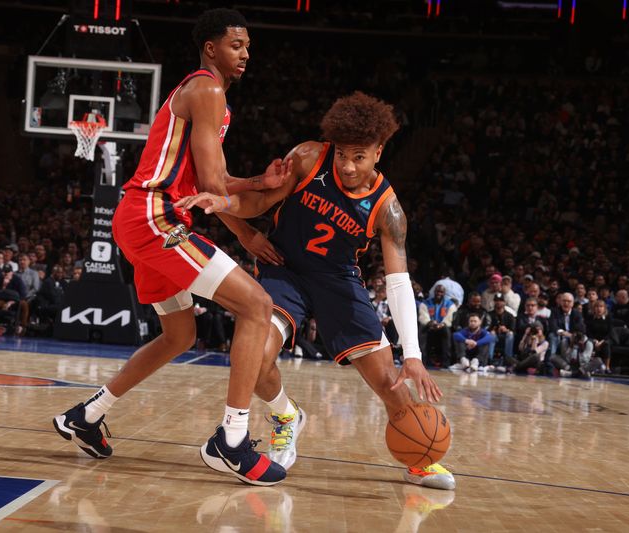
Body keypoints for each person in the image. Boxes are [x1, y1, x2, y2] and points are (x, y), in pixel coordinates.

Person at [52, 9, 289, 487]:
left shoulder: (208, 95)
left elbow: (210, 188)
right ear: (210, 48)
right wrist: (266, 189)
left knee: (179, 336)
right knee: (257, 306)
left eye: (247, 47)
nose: (245, 54)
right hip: (154, 217)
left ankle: (87, 414)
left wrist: (254, 195)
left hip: (145, 220)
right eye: (237, 45)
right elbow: (215, 184)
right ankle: (232, 440)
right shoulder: (208, 88)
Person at [178, 92, 453, 490]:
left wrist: (412, 355)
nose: (347, 165)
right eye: (342, 154)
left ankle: (421, 460)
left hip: (338, 283)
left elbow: (397, 281)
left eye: (359, 156)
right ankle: (286, 415)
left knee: (389, 383)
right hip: (284, 269)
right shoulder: (309, 157)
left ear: (379, 151)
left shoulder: (388, 209)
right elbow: (261, 199)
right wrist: (226, 206)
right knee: (254, 362)